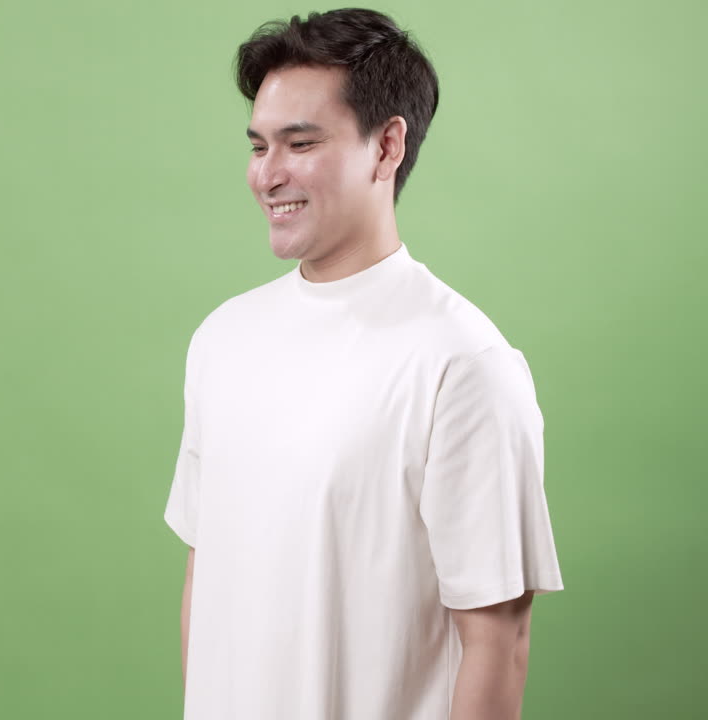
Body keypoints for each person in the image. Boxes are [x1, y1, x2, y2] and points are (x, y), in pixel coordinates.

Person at [162, 8, 565, 719]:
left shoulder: (463, 365)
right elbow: (208, 569)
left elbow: (499, 641)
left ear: (387, 146)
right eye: (258, 145)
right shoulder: (222, 339)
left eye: (300, 142)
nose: (267, 174)